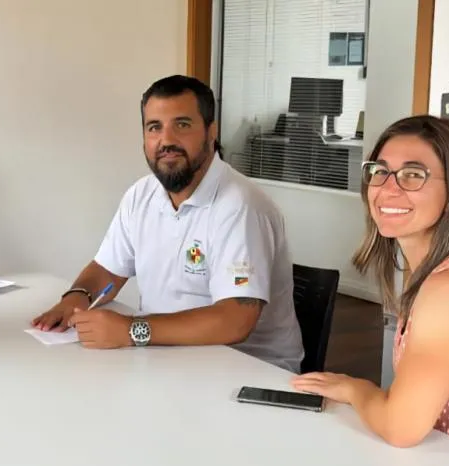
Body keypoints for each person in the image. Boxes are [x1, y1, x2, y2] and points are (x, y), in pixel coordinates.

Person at [291, 115, 449, 462]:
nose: (388, 188)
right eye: (380, 171)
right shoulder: (445, 270)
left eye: (414, 175)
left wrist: (358, 389)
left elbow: (401, 428)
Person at [31, 75, 304, 372]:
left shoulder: (240, 206)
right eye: (154, 127)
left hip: (247, 371)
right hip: (166, 356)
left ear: (211, 132)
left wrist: (130, 330)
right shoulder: (141, 195)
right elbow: (107, 269)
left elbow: (235, 320)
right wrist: (74, 299)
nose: (167, 140)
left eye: (182, 125)